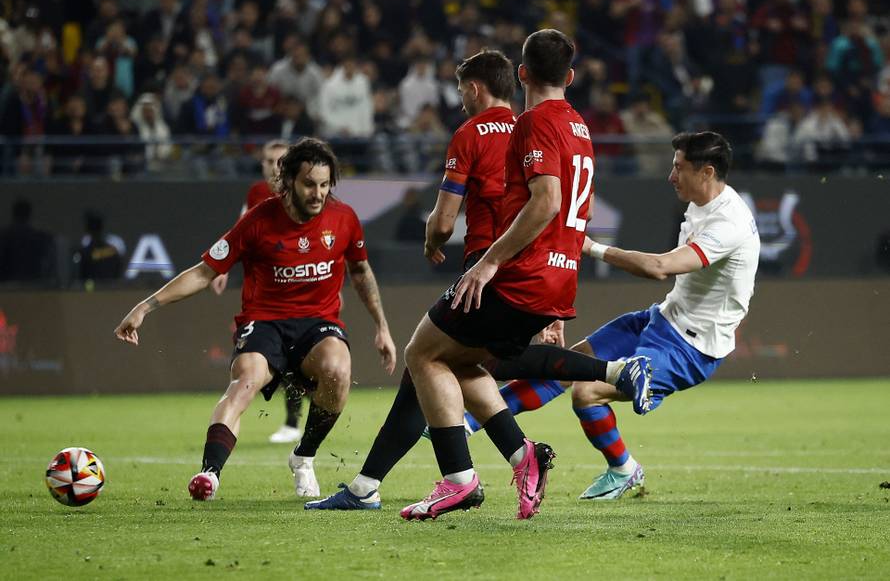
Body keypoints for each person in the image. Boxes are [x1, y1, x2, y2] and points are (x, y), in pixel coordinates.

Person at [306, 46, 649, 517]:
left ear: (476, 87)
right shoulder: (573, 125)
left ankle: (447, 479)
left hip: (499, 270)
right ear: (567, 76)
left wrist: (446, 243)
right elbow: (568, 206)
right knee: (464, 365)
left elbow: (453, 218)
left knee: (424, 359)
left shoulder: (484, 131)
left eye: (461, 89)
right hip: (550, 272)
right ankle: (514, 454)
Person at [459, 131, 760, 501]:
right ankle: (468, 422)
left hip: (691, 348)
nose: (671, 176)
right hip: (662, 319)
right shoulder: (701, 203)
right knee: (572, 364)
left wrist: (591, 247)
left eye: (678, 168)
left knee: (587, 393)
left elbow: (660, 267)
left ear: (707, 172)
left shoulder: (728, 223)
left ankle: (623, 469)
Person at [114, 138, 397, 501]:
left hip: (317, 323)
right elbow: (204, 272)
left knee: (339, 369)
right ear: (289, 181)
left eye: (325, 185)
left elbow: (360, 271)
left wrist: (382, 327)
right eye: (309, 184)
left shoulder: (344, 219)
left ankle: (303, 456)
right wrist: (145, 307)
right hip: (265, 323)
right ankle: (210, 473)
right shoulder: (258, 221)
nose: (318, 194)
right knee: (245, 381)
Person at [210, 139, 308, 445]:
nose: (273, 166)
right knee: (268, 357)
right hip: (265, 292)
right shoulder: (256, 193)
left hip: (302, 289)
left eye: (280, 160)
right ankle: (287, 417)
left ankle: (295, 421)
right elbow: (238, 231)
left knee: (298, 357)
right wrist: (222, 267)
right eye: (268, 160)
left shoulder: (304, 192)